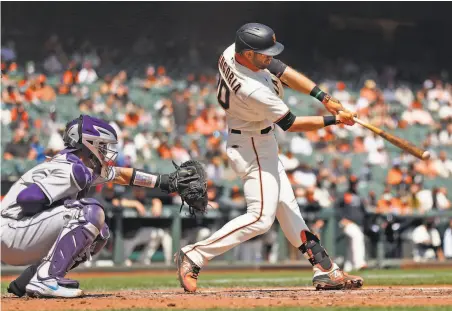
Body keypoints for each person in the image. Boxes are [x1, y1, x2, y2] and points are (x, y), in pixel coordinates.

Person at [176, 23, 363, 292]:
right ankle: (195, 253)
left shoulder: (233, 51)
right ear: (248, 53)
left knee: (287, 207)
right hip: (251, 144)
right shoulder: (251, 88)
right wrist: (335, 119)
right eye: (263, 53)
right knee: (261, 218)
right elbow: (292, 123)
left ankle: (323, 267)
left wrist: (325, 97)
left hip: (257, 139)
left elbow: (282, 71)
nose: (269, 57)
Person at [1, 115, 205, 298]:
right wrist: (62, 207)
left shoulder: (80, 166)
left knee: (100, 232)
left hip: (18, 234)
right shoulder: (72, 170)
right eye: (103, 145)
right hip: (11, 231)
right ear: (90, 143)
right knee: (88, 212)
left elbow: (123, 176)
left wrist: (165, 181)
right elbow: (26, 199)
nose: (107, 151)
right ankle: (46, 279)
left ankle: (29, 279)